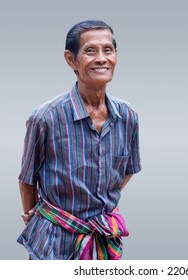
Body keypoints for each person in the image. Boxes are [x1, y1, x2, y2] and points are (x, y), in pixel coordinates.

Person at [17, 19, 141, 260]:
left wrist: (98, 203)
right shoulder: (46, 117)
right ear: (70, 59)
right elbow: (27, 179)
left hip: (103, 237)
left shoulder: (127, 116)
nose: (101, 58)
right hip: (54, 241)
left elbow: (128, 170)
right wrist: (36, 217)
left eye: (108, 50)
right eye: (90, 51)